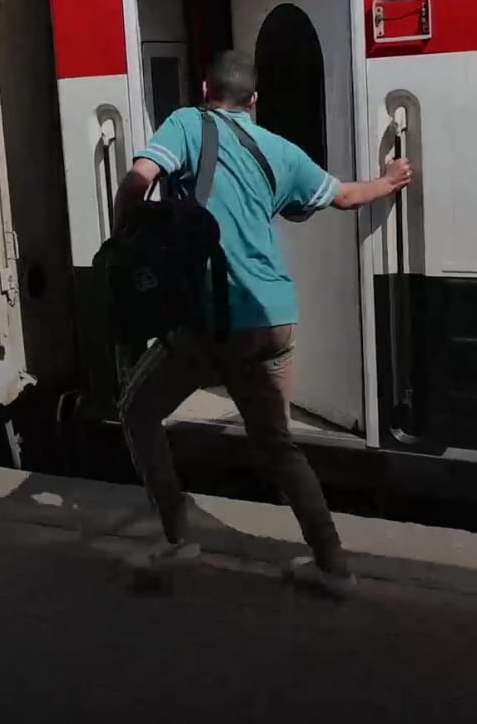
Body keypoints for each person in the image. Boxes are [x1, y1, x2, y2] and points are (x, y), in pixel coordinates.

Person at [111, 50, 414, 596]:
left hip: (213, 320)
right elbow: (347, 197)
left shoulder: (187, 123)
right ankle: (333, 566)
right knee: (278, 445)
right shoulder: (280, 149)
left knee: (137, 410)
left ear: (206, 90)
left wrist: (124, 248)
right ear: (253, 102)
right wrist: (390, 180)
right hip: (275, 319)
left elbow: (138, 180)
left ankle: (178, 540)